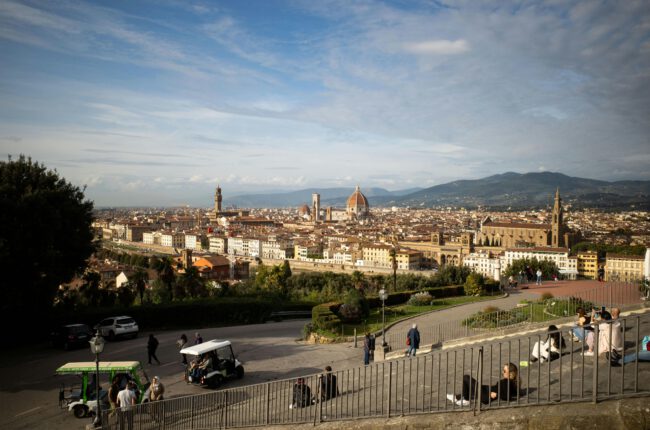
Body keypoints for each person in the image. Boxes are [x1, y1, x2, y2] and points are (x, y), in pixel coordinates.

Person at [447, 362, 519, 406]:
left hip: (486, 395)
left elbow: (507, 396)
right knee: (470, 387)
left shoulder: (508, 383)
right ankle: (457, 397)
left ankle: (464, 400)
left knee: (466, 377)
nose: (502, 372)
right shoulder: (510, 382)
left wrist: (497, 395)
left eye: (504, 371)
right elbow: (514, 392)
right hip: (486, 390)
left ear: (510, 374)